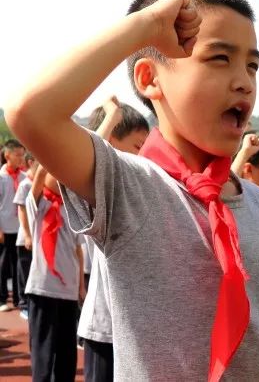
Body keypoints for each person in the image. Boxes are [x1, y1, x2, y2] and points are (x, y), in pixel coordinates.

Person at [7, 0, 259, 381]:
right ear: (149, 79)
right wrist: (146, 26)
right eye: (219, 58)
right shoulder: (130, 186)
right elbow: (30, 113)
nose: (245, 81)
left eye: (252, 65)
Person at [79, 96, 150, 382]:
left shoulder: (142, 187)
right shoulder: (102, 191)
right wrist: (111, 117)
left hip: (137, 330)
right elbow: (87, 160)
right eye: (138, 146)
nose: (143, 155)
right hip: (106, 326)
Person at [25, 165, 85, 381]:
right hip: (43, 288)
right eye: (55, 175)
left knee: (66, 351)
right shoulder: (39, 206)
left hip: (68, 290)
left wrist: (81, 286)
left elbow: (78, 250)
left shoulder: (72, 210)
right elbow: (38, 180)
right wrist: (47, 164)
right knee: (43, 348)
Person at [0, 139, 27, 311]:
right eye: (17, 155)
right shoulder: (1, 177)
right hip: (5, 227)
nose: (21, 158)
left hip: (20, 227)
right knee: (3, 263)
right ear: (7, 155)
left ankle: (19, 298)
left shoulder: (23, 177)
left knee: (18, 263)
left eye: (22, 155)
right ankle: (2, 298)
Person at [14, 153, 38, 319]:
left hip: (37, 237)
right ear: (31, 162)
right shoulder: (25, 184)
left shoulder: (38, 183)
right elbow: (21, 210)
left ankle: (31, 304)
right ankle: (24, 304)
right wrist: (28, 235)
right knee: (24, 271)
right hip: (25, 238)